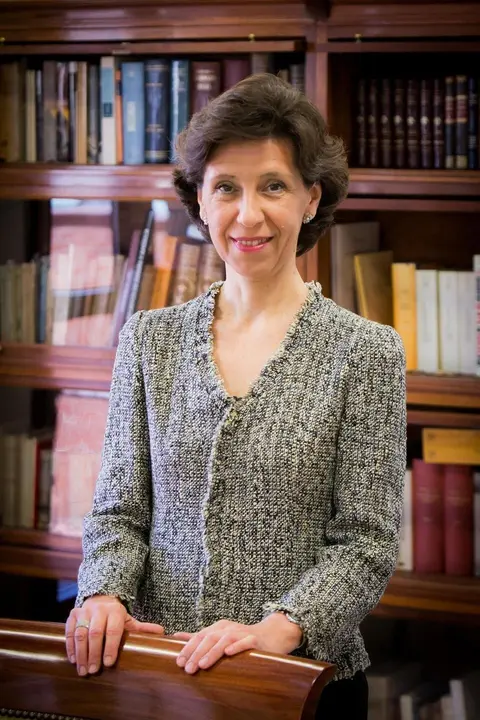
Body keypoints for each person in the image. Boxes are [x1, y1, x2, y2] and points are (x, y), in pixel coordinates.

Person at [65, 73, 406, 719]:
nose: (248, 215)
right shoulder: (149, 340)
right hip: (159, 677)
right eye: (226, 187)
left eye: (273, 186)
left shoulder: (367, 352)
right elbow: (117, 513)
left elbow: (366, 543)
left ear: (310, 198)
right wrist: (103, 594)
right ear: (200, 199)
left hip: (304, 685)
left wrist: (279, 629)